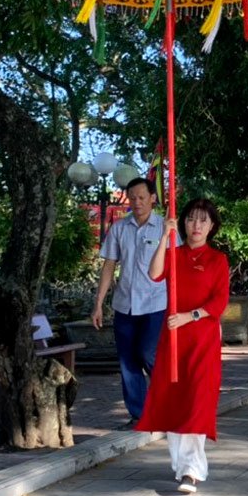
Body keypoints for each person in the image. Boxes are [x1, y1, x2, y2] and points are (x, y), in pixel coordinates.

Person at [135, 198, 230, 494]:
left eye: (203, 220)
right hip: (174, 337)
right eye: (191, 219)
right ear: (184, 223)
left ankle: (192, 470)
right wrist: (165, 235)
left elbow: (219, 301)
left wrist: (191, 315)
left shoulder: (217, 260)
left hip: (202, 338)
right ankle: (181, 466)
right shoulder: (174, 255)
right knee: (174, 399)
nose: (196, 226)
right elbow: (153, 274)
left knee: (197, 401)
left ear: (212, 226)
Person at [92, 177, 170, 424]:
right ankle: (140, 415)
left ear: (153, 199)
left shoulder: (165, 228)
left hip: (155, 303)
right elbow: (108, 266)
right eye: (133, 198)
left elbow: (178, 267)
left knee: (148, 353)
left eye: (142, 198)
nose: (137, 203)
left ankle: (167, 401)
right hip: (124, 304)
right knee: (127, 361)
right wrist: (99, 304)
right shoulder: (119, 228)